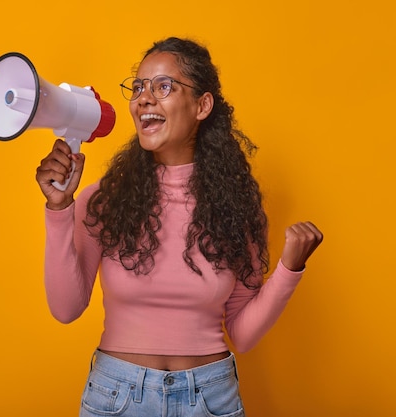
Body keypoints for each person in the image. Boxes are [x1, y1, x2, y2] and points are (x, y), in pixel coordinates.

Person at [35, 37, 323, 417]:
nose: (144, 98)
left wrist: (290, 269)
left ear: (202, 105)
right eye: (138, 87)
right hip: (117, 397)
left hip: (210, 397)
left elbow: (242, 334)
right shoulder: (104, 199)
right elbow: (65, 308)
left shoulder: (237, 208)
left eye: (163, 86)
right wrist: (59, 208)